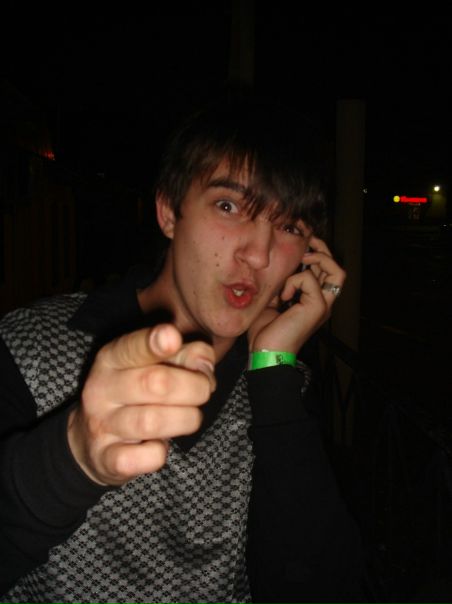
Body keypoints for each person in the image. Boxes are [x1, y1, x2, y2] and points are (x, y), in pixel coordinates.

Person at [0, 96, 364, 603]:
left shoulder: (280, 381)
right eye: (229, 206)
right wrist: (74, 456)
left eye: (290, 227)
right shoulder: (31, 345)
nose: (258, 255)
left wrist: (274, 370)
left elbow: (314, 582)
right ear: (169, 212)